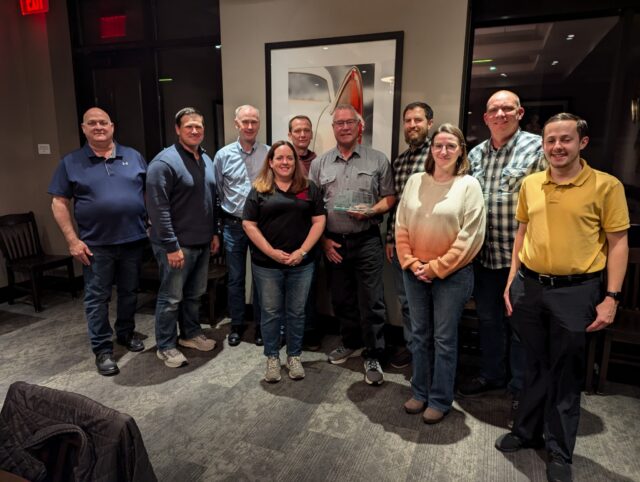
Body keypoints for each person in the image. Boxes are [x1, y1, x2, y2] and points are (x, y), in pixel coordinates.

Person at [495, 113, 629, 482]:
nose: (557, 146)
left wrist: (612, 297)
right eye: (550, 139)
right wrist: (511, 282)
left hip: (577, 290)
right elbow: (521, 235)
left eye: (565, 139)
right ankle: (526, 432)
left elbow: (618, 244)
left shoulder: (606, 186)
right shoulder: (531, 184)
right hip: (530, 286)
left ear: (582, 143)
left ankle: (558, 450)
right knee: (533, 364)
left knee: (565, 372)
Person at [460, 90, 546, 409]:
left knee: (522, 325)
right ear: (485, 118)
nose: (500, 114)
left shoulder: (538, 148)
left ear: (519, 112)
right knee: (489, 320)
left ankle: (521, 387)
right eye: (493, 110)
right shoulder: (476, 154)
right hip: (484, 257)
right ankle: (492, 374)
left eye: (507, 109)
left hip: (522, 259)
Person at [396, 123, 485, 423]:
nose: (443, 151)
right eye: (438, 146)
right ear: (431, 150)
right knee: (419, 336)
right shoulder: (415, 181)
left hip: (452, 276)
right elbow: (401, 225)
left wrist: (435, 268)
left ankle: (440, 398)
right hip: (414, 271)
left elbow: (470, 237)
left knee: (444, 339)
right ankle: (419, 392)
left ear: (460, 151)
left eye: (450, 146)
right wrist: (409, 262)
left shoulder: (468, 185)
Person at [48, 107, 147, 376]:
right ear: (84, 129)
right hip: (95, 245)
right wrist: (72, 240)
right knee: (97, 297)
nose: (98, 127)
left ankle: (125, 334)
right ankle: (103, 349)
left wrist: (149, 222)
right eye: (92, 123)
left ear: (112, 126)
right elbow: (59, 202)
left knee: (129, 292)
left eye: (103, 122)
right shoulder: (71, 162)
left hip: (133, 240)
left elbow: (147, 192)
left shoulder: (134, 156)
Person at [309, 104, 395, 386]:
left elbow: (389, 198)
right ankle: (351, 342)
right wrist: (322, 241)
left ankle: (374, 353)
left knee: (372, 301)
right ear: (333, 128)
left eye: (349, 122)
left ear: (361, 127)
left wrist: (371, 212)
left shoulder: (378, 160)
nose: (344, 127)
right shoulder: (319, 164)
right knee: (342, 298)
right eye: (339, 123)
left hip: (367, 240)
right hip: (333, 242)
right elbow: (312, 208)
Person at [242, 140, 326, 382]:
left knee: (297, 312)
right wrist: (271, 252)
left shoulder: (309, 188)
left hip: (301, 263)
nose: (285, 162)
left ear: (295, 161)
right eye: (279, 158)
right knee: (269, 312)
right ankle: (272, 358)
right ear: (271, 162)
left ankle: (294, 356)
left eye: (289, 158)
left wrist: (302, 251)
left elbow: (319, 221)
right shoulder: (259, 189)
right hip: (267, 265)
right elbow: (249, 224)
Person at [146, 107, 219, 368]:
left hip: (201, 241)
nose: (195, 130)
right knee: (171, 297)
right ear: (178, 129)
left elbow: (208, 200)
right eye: (189, 126)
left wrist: (213, 233)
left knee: (194, 293)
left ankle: (189, 334)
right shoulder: (163, 163)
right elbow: (157, 208)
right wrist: (170, 246)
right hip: (176, 245)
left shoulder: (206, 159)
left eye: (198, 126)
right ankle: (165, 345)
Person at [213, 105, 269, 347]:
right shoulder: (222, 155)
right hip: (233, 226)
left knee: (260, 278)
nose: (249, 126)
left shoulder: (269, 153)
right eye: (244, 122)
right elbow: (216, 193)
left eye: (253, 122)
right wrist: (216, 230)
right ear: (236, 124)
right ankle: (236, 324)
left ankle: (260, 326)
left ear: (259, 124)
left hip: (261, 226)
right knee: (235, 278)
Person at [386, 101, 434, 369]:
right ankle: (412, 347)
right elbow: (397, 205)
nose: (412, 125)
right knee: (406, 301)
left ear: (430, 123)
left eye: (418, 120)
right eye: (408, 121)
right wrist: (390, 239)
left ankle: (428, 355)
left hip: (431, 244)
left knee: (429, 306)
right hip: (403, 245)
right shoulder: (401, 160)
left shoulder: (440, 155)